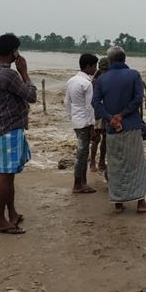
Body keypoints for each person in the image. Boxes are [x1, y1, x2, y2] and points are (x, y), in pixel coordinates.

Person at [0, 33, 37, 234]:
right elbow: (31, 95)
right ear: (13, 52)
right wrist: (24, 72)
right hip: (9, 128)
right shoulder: (9, 74)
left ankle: (11, 213)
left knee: (9, 174)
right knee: (5, 175)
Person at [92, 46, 146, 214]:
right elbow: (138, 99)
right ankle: (141, 203)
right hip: (132, 126)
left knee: (115, 164)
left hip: (112, 129)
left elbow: (96, 103)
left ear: (110, 61)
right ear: (124, 59)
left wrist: (110, 118)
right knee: (137, 165)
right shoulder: (134, 75)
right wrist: (122, 115)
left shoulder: (102, 79)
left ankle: (118, 204)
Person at [64, 53, 99, 194]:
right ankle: (78, 184)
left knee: (82, 153)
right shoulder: (87, 83)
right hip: (85, 122)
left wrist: (72, 115)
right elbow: (89, 107)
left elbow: (67, 102)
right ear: (88, 66)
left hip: (76, 120)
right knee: (82, 154)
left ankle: (82, 182)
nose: (95, 69)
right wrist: (92, 126)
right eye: (94, 66)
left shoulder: (71, 81)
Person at [89, 57, 109, 172]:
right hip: (98, 112)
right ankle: (93, 162)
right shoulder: (96, 81)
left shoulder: (96, 80)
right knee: (97, 138)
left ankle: (100, 162)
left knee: (102, 138)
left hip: (103, 112)